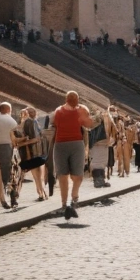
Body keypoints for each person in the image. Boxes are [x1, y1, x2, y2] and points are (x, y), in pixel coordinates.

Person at [51, 91, 96, 220]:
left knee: (78, 175)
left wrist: (87, 116)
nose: (73, 100)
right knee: (62, 175)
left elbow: (89, 124)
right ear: (66, 99)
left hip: (75, 143)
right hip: (61, 144)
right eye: (71, 98)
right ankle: (65, 204)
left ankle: (73, 198)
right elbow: (54, 123)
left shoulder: (79, 110)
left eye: (75, 98)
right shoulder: (59, 110)